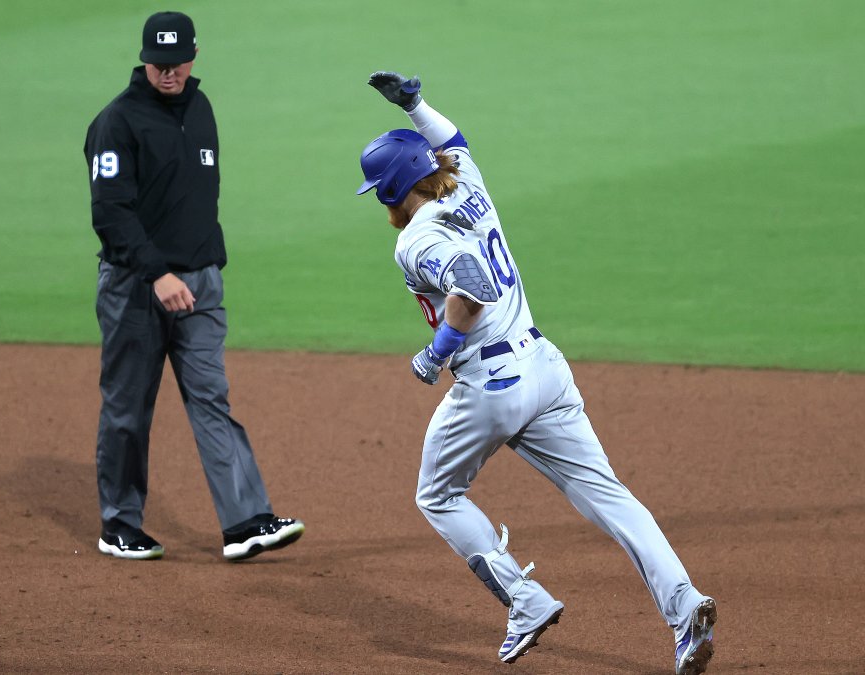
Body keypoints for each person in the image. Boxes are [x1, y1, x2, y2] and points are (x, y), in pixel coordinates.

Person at [355, 71, 718, 675]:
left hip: (491, 386)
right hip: (547, 371)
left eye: (380, 193)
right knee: (610, 497)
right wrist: (415, 105)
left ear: (394, 191)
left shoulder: (414, 239)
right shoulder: (467, 183)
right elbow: (457, 138)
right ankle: (686, 610)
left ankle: (524, 601)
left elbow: (469, 284)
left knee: (437, 495)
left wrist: (436, 351)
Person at [82, 11, 303, 562]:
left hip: (201, 285)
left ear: (193, 57)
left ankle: (245, 522)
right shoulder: (116, 123)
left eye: (176, 62)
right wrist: (157, 272)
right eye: (157, 63)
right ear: (144, 60)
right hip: (136, 288)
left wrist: (198, 268)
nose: (167, 73)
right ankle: (119, 524)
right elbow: (110, 213)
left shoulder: (200, 108)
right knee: (129, 408)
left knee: (212, 398)